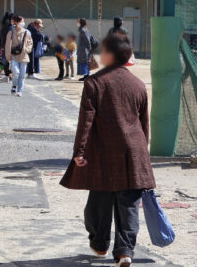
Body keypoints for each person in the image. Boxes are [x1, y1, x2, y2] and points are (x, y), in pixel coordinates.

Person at [60, 32, 155, 266]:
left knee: (98, 203)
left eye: (103, 51)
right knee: (129, 206)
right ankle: (125, 252)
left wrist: (79, 152)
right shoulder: (138, 85)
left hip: (103, 152)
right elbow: (144, 124)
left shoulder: (94, 82)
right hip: (133, 152)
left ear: (110, 55)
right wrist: (143, 152)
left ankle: (100, 244)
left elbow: (86, 121)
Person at [4, 14, 33, 96]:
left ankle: (20, 90)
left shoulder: (27, 32)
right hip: (14, 55)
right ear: (16, 22)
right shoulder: (11, 32)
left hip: (24, 56)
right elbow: (7, 45)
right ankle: (14, 84)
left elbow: (30, 42)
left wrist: (27, 49)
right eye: (21, 21)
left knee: (22, 74)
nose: (23, 23)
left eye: (23, 21)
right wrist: (7, 56)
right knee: (15, 72)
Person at [0, 11, 14, 82]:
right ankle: (8, 75)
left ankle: (8, 75)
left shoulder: (3, 24)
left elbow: (1, 37)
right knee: (8, 61)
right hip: (8, 46)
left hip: (2, 45)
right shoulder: (10, 27)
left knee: (5, 61)